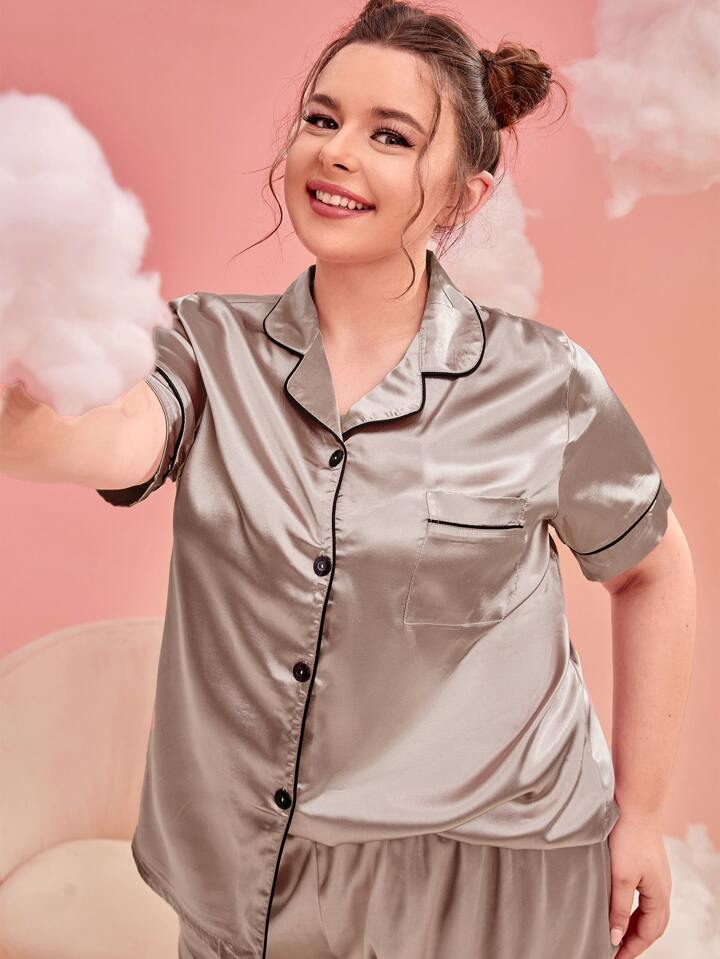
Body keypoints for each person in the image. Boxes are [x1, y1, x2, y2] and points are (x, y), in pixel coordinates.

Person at [0, 1, 696, 958]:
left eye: (390, 136)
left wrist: (642, 814)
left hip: (499, 881)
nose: (335, 152)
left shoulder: (548, 383)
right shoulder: (206, 345)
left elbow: (654, 569)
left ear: (463, 198)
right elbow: (108, 433)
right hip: (256, 874)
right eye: (321, 119)